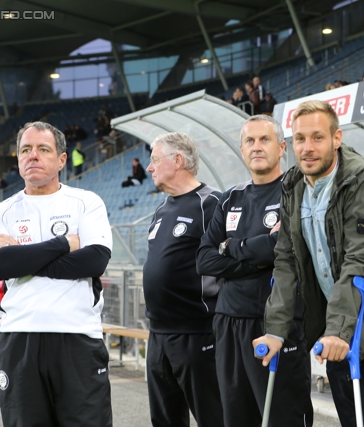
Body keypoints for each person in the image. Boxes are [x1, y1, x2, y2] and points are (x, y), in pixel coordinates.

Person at [253, 100, 364, 427]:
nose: (307, 148)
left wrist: (338, 332)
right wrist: (275, 330)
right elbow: (286, 262)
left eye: (317, 137)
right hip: (337, 339)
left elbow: (361, 259)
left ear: (337, 138)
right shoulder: (292, 186)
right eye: (300, 139)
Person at [0, 121, 113, 426]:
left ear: (62, 159)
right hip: (18, 339)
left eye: (43, 149)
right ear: (17, 158)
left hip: (77, 338)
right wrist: (64, 244)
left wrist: (22, 256)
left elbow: (94, 261)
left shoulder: (86, 203)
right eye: (25, 150)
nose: (33, 156)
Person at [196, 115, 313, 427]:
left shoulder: (296, 191)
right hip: (228, 322)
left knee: (281, 416)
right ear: (241, 148)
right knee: (236, 415)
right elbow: (205, 260)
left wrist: (231, 246)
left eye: (265, 140)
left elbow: (287, 250)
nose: (257, 147)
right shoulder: (230, 198)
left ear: (281, 147)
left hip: (275, 322)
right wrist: (260, 253)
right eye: (250, 141)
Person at [142, 132, 224, 427]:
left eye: (154, 160)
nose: (149, 168)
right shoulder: (162, 209)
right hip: (158, 335)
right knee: (164, 420)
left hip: (197, 334)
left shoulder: (212, 203)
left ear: (177, 160)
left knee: (213, 417)